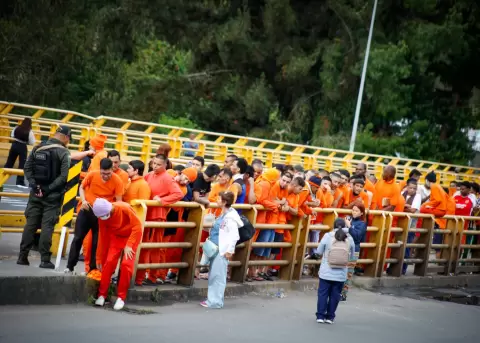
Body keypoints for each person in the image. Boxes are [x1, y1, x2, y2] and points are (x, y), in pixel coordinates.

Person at [17, 126, 72, 268]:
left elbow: (27, 168)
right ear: (66, 137)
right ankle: (45, 260)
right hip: (52, 196)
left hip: (35, 193)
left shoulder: (38, 147)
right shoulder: (64, 152)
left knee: (30, 225)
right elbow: (64, 176)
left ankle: (22, 257)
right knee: (47, 226)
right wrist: (48, 189)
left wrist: (35, 185)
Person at [65, 158, 124, 274]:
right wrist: (84, 200)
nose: (105, 176)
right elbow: (81, 187)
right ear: (100, 169)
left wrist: (110, 212)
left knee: (96, 243)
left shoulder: (117, 181)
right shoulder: (92, 174)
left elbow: (119, 202)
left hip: (102, 214)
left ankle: (92, 269)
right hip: (88, 209)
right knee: (77, 238)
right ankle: (70, 266)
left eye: (108, 173)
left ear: (112, 170)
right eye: (103, 173)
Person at [92, 199, 142, 311]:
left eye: (104, 215)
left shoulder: (124, 208)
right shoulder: (102, 218)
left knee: (126, 265)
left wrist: (129, 244)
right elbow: (103, 237)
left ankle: (121, 297)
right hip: (116, 237)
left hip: (131, 237)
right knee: (108, 262)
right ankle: (102, 294)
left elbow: (137, 227)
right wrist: (99, 257)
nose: (103, 218)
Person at [200, 191, 241, 309]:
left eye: (219, 199)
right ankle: (213, 300)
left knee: (218, 276)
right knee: (215, 275)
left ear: (224, 202)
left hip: (222, 250)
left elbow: (234, 236)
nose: (217, 201)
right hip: (217, 247)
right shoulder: (224, 215)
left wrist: (230, 250)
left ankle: (215, 301)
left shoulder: (230, 218)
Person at [315, 218, 354, 324]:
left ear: (334, 226)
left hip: (326, 271)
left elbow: (318, 251)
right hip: (341, 273)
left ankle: (320, 316)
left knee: (323, 293)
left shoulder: (327, 236)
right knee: (335, 295)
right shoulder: (349, 238)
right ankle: (330, 317)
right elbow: (351, 255)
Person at [342, 204, 367, 300]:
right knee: (340, 271)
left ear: (361, 213)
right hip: (343, 248)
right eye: (353, 210)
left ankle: (343, 293)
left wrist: (349, 226)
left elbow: (357, 237)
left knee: (348, 273)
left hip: (353, 250)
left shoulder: (362, 223)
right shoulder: (348, 219)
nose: (354, 212)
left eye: (356, 211)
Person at [5, 117, 36, 187]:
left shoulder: (17, 127)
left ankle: (2, 176)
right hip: (22, 146)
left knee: (9, 162)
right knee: (22, 165)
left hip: (14, 145)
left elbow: (12, 135)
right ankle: (20, 181)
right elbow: (32, 142)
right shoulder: (29, 131)